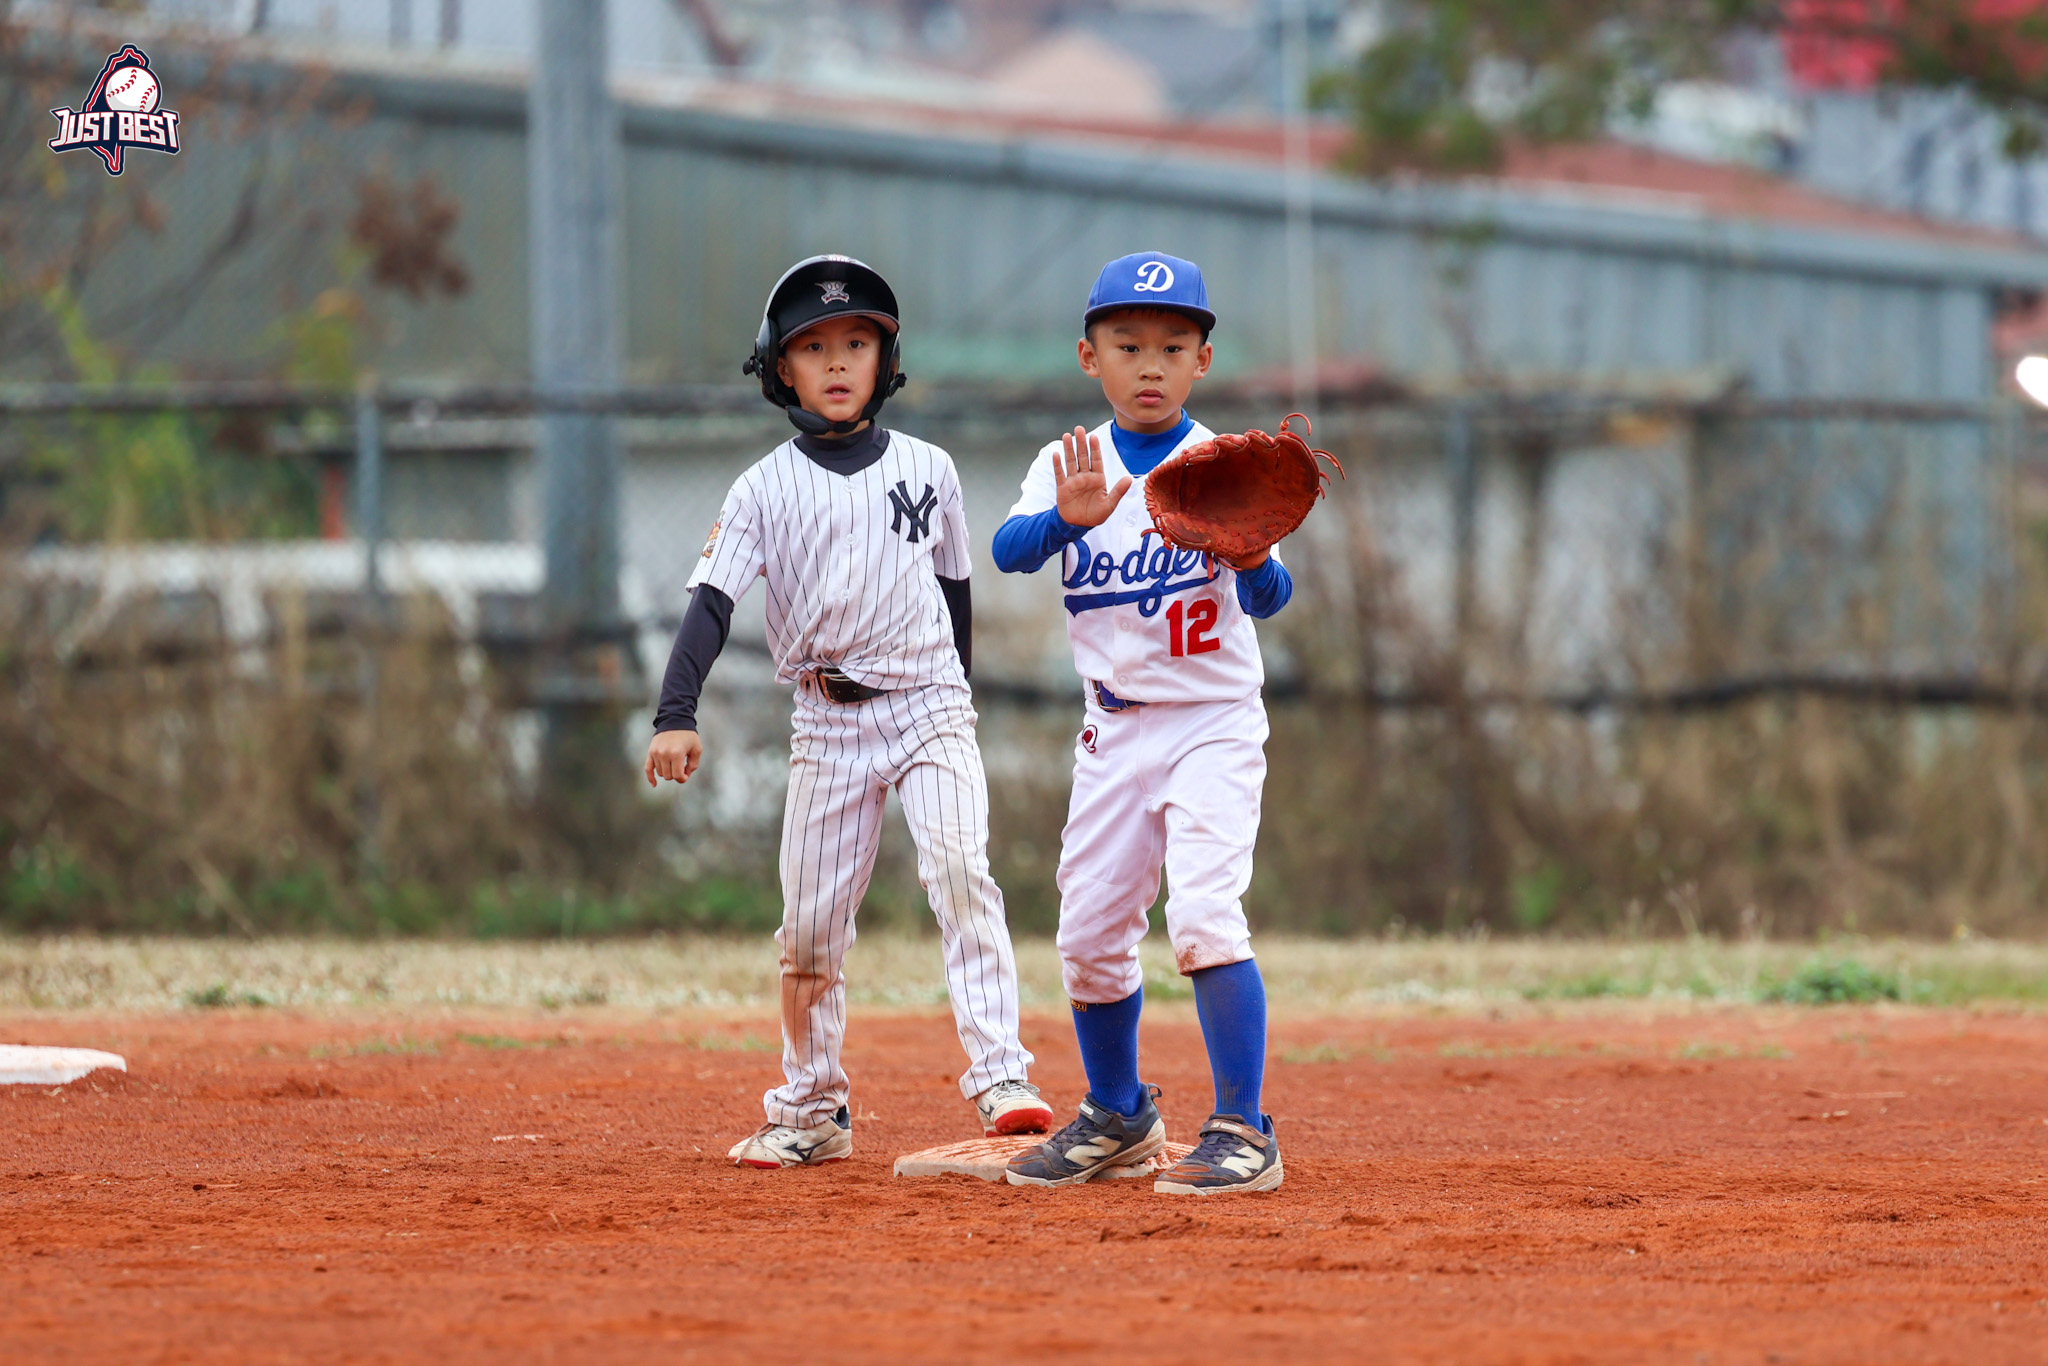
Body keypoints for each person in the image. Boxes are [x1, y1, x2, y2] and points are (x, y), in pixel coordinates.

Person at [645, 254, 1052, 1168]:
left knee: (959, 873)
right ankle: (813, 1108)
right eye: (814, 345)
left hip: (929, 703)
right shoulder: (761, 489)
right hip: (826, 722)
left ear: (886, 358)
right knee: (811, 928)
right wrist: (678, 712)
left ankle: (1003, 1078)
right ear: (779, 369)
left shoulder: (932, 469)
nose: (837, 360)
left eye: (857, 342)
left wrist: (962, 702)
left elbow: (954, 596)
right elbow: (711, 602)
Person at [991, 251, 1291, 1195]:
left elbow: (1273, 598)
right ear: (1091, 357)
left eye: (1173, 345)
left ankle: (1244, 1129)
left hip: (1211, 722)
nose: (1150, 364)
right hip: (1114, 730)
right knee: (1086, 933)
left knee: (1203, 918)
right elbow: (1006, 551)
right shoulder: (1064, 460)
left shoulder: (1223, 464)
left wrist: (1247, 556)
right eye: (1128, 345)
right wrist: (1066, 524)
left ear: (1203, 360)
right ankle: (1119, 1115)